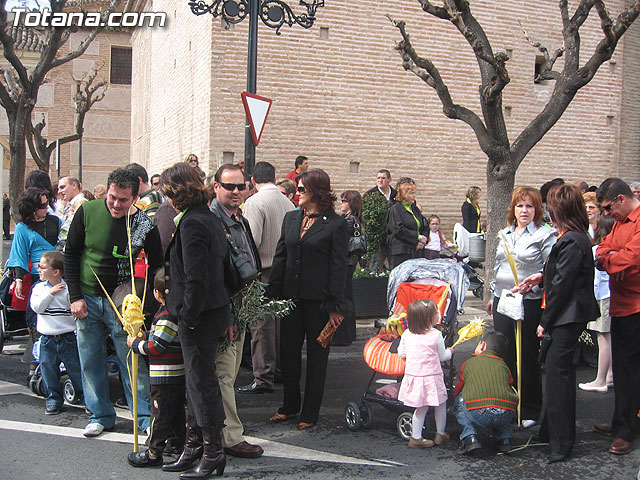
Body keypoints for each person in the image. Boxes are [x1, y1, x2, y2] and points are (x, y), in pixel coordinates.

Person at [64, 168, 162, 438]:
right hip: (87, 297)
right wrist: (75, 297)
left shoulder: (144, 223)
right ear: (106, 192)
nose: (116, 205)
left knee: (131, 359)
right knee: (91, 358)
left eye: (123, 200)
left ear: (134, 198)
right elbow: (70, 254)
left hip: (123, 303)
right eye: (112, 198)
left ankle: (143, 417)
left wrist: (146, 304)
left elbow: (157, 265)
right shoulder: (86, 212)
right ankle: (99, 415)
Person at [517, 183, 599, 463]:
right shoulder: (571, 238)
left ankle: (561, 442)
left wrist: (545, 321)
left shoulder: (572, 239)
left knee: (558, 378)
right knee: (556, 375)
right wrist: (541, 276)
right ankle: (551, 433)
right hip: (566, 316)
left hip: (567, 317)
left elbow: (563, 286)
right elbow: (560, 273)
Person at [160, 162, 229, 477]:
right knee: (196, 383)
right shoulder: (207, 218)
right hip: (209, 311)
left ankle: (212, 452)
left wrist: (186, 318)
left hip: (199, 316)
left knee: (202, 384)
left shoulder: (192, 222)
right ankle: (195, 447)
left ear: (176, 193)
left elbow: (196, 278)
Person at [268, 169, 350, 430]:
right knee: (289, 355)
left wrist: (336, 306)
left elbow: (339, 268)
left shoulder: (336, 224)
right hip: (292, 300)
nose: (297, 194)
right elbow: (281, 257)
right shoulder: (291, 219)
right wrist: (273, 294)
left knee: (317, 358)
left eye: (301, 190)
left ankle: (309, 412)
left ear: (317, 192)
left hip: (319, 304)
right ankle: (289, 406)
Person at [487, 186, 555, 429]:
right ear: (512, 209)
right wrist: (493, 294)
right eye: (519, 205)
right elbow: (498, 267)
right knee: (505, 353)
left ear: (536, 210)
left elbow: (551, 270)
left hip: (529, 302)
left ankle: (530, 407)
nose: (524, 210)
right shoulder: (504, 233)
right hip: (503, 300)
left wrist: (534, 286)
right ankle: (508, 403)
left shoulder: (544, 235)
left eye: (529, 206)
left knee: (526, 355)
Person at [209, 164, 264, 459]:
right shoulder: (213, 219)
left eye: (240, 187)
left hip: (241, 306)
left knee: (227, 373)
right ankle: (229, 436)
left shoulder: (238, 217)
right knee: (225, 375)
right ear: (215, 186)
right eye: (228, 186)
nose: (235, 192)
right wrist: (228, 316)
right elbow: (215, 274)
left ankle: (218, 432)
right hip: (226, 310)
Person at [238, 162, 295, 394]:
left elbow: (252, 242)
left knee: (261, 327)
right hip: (285, 270)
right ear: (274, 177)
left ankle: (263, 377)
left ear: (253, 180)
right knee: (280, 324)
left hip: (263, 270)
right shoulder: (288, 202)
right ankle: (279, 370)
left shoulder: (254, 202)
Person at [593, 177, 640, 455]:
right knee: (623, 371)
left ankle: (625, 428)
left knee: (629, 371)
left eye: (608, 208)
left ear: (621, 199)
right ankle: (622, 421)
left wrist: (612, 259)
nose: (606, 214)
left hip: (635, 306)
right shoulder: (622, 224)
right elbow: (601, 249)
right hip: (622, 304)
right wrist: (612, 259)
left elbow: (632, 258)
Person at [126, 268, 185, 468]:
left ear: (157, 293)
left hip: (165, 374)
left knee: (158, 415)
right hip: (173, 374)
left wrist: (135, 344)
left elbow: (157, 346)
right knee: (175, 412)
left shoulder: (168, 315)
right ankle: (178, 441)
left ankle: (153, 451)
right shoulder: (168, 312)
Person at [29, 250, 83, 416]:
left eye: (42, 267)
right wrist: (50, 293)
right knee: (48, 371)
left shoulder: (68, 290)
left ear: (56, 272)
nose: (38, 270)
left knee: (76, 370)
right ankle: (53, 400)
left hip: (67, 337)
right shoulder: (39, 289)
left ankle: (85, 397)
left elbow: (74, 310)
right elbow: (37, 307)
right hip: (46, 339)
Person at [397, 299, 452, 448]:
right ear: (429, 319)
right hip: (432, 378)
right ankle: (440, 434)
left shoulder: (407, 334)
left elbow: (401, 352)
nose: (439, 314)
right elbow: (442, 356)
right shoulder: (436, 335)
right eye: (436, 312)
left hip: (414, 376)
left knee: (420, 408)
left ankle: (416, 437)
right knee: (440, 404)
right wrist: (450, 352)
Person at [453, 332, 518, 454]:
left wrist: (454, 401)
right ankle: (504, 438)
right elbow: (508, 386)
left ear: (482, 345)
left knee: (460, 400)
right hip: (505, 414)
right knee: (499, 398)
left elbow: (459, 387)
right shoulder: (504, 366)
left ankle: (469, 436)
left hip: (480, 414)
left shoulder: (469, 363)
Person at [8, 188, 60, 335]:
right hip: (39, 275)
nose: (46, 208)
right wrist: (18, 280)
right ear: (31, 208)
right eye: (42, 206)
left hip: (59, 272)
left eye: (47, 203)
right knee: (37, 311)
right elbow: (19, 255)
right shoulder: (21, 227)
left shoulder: (55, 221)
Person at [579, 214, 615, 393]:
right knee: (609, 337)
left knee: (603, 337)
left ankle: (600, 379)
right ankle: (609, 375)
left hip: (602, 296)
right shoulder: (616, 249)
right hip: (611, 295)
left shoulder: (598, 250)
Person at [331, 190, 363, 347]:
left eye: (344, 201)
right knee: (347, 298)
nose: (341, 203)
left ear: (351, 203)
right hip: (349, 263)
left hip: (345, 263)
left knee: (343, 298)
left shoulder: (349, 220)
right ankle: (348, 333)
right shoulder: (352, 219)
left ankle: (342, 336)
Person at [386, 177, 428, 269]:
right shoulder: (396, 209)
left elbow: (424, 225)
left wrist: (422, 241)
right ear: (404, 194)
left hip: (416, 250)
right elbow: (398, 229)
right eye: (411, 193)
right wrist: (417, 237)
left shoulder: (414, 209)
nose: (414, 196)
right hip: (401, 251)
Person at [57, 176, 87, 248]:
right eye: (58, 189)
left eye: (62, 187)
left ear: (74, 185)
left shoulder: (81, 204)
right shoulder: (70, 205)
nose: (59, 191)